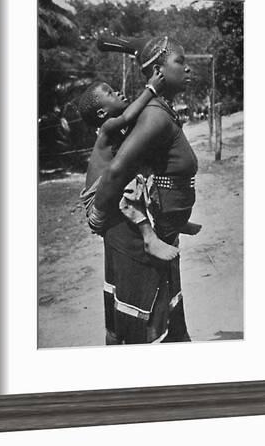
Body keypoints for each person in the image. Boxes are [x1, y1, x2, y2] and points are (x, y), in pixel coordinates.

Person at [91, 34, 199, 345]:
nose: (188, 69)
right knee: (149, 328)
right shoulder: (154, 116)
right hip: (148, 237)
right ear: (160, 71)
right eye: (181, 61)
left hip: (166, 226)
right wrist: (97, 214)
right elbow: (115, 171)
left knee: (169, 323)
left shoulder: (161, 111)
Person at [78, 69, 180, 262]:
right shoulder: (107, 130)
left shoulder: (118, 131)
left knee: (143, 169)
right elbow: (128, 116)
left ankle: (174, 218)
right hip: (97, 204)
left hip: (107, 192)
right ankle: (149, 238)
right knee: (132, 182)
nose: (117, 92)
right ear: (102, 113)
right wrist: (151, 89)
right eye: (110, 93)